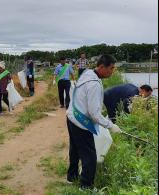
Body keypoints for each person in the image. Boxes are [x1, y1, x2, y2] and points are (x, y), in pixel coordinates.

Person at [66, 55, 122, 190]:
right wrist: (111, 125)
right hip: (81, 122)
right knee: (90, 155)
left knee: (75, 149)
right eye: (111, 68)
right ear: (102, 66)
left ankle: (72, 177)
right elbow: (94, 114)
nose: (112, 71)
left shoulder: (88, 74)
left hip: (71, 116)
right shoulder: (94, 84)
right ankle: (86, 186)